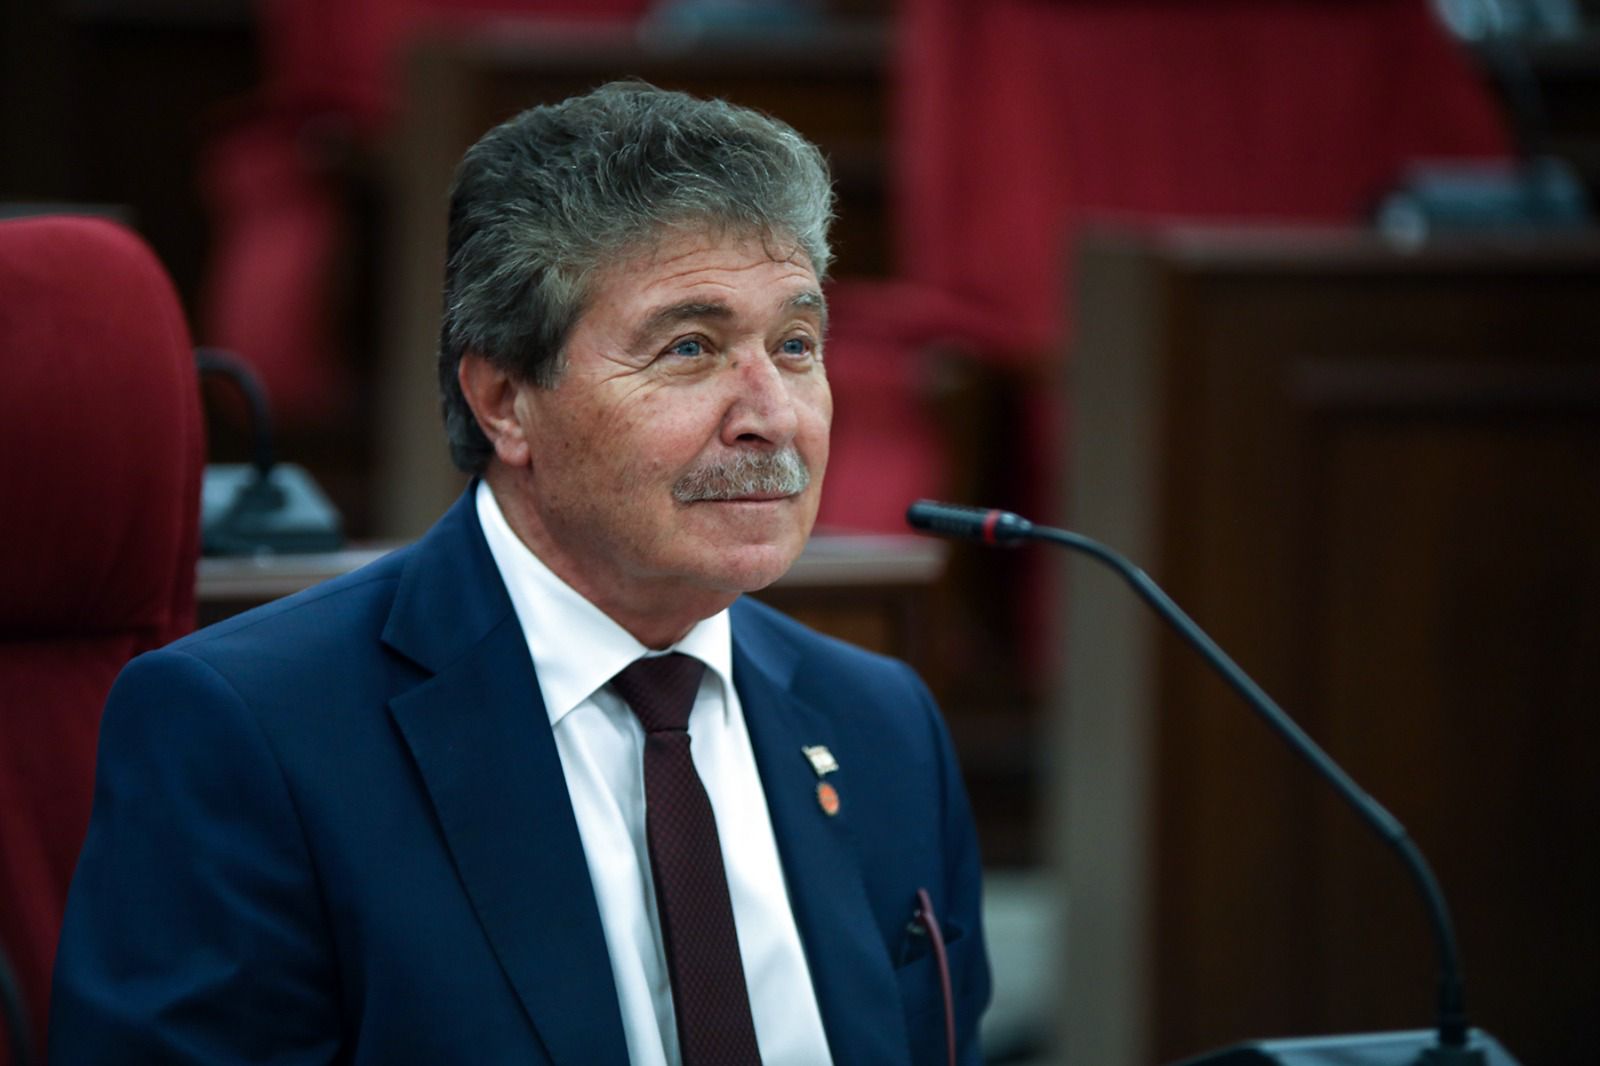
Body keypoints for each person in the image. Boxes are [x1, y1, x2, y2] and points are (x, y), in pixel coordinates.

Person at [50, 82, 990, 1065]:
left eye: (795, 345)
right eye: (689, 348)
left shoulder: (881, 725)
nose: (772, 415)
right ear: (503, 400)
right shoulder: (253, 733)